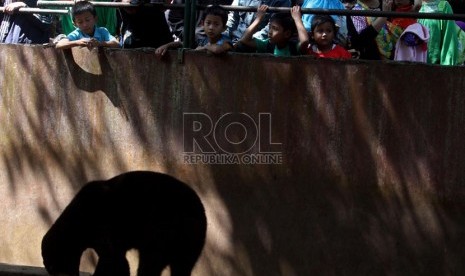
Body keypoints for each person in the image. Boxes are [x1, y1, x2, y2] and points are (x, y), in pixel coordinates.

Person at [155, 5, 233, 57]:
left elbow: (217, 49)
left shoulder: (226, 41)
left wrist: (203, 48)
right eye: (208, 23)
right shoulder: (203, 40)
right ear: (202, 24)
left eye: (216, 24)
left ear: (224, 28)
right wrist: (166, 46)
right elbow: (182, 44)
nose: (211, 27)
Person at [225, 0, 291, 47]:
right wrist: (225, 38)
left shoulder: (282, 1)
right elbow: (232, 19)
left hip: (256, 44)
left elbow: (270, 29)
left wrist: (246, 40)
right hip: (233, 40)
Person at [417, 0, 459, 65]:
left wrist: (447, 68)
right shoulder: (414, 7)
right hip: (415, 65)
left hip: (435, 67)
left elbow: (449, 41)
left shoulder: (443, 6)